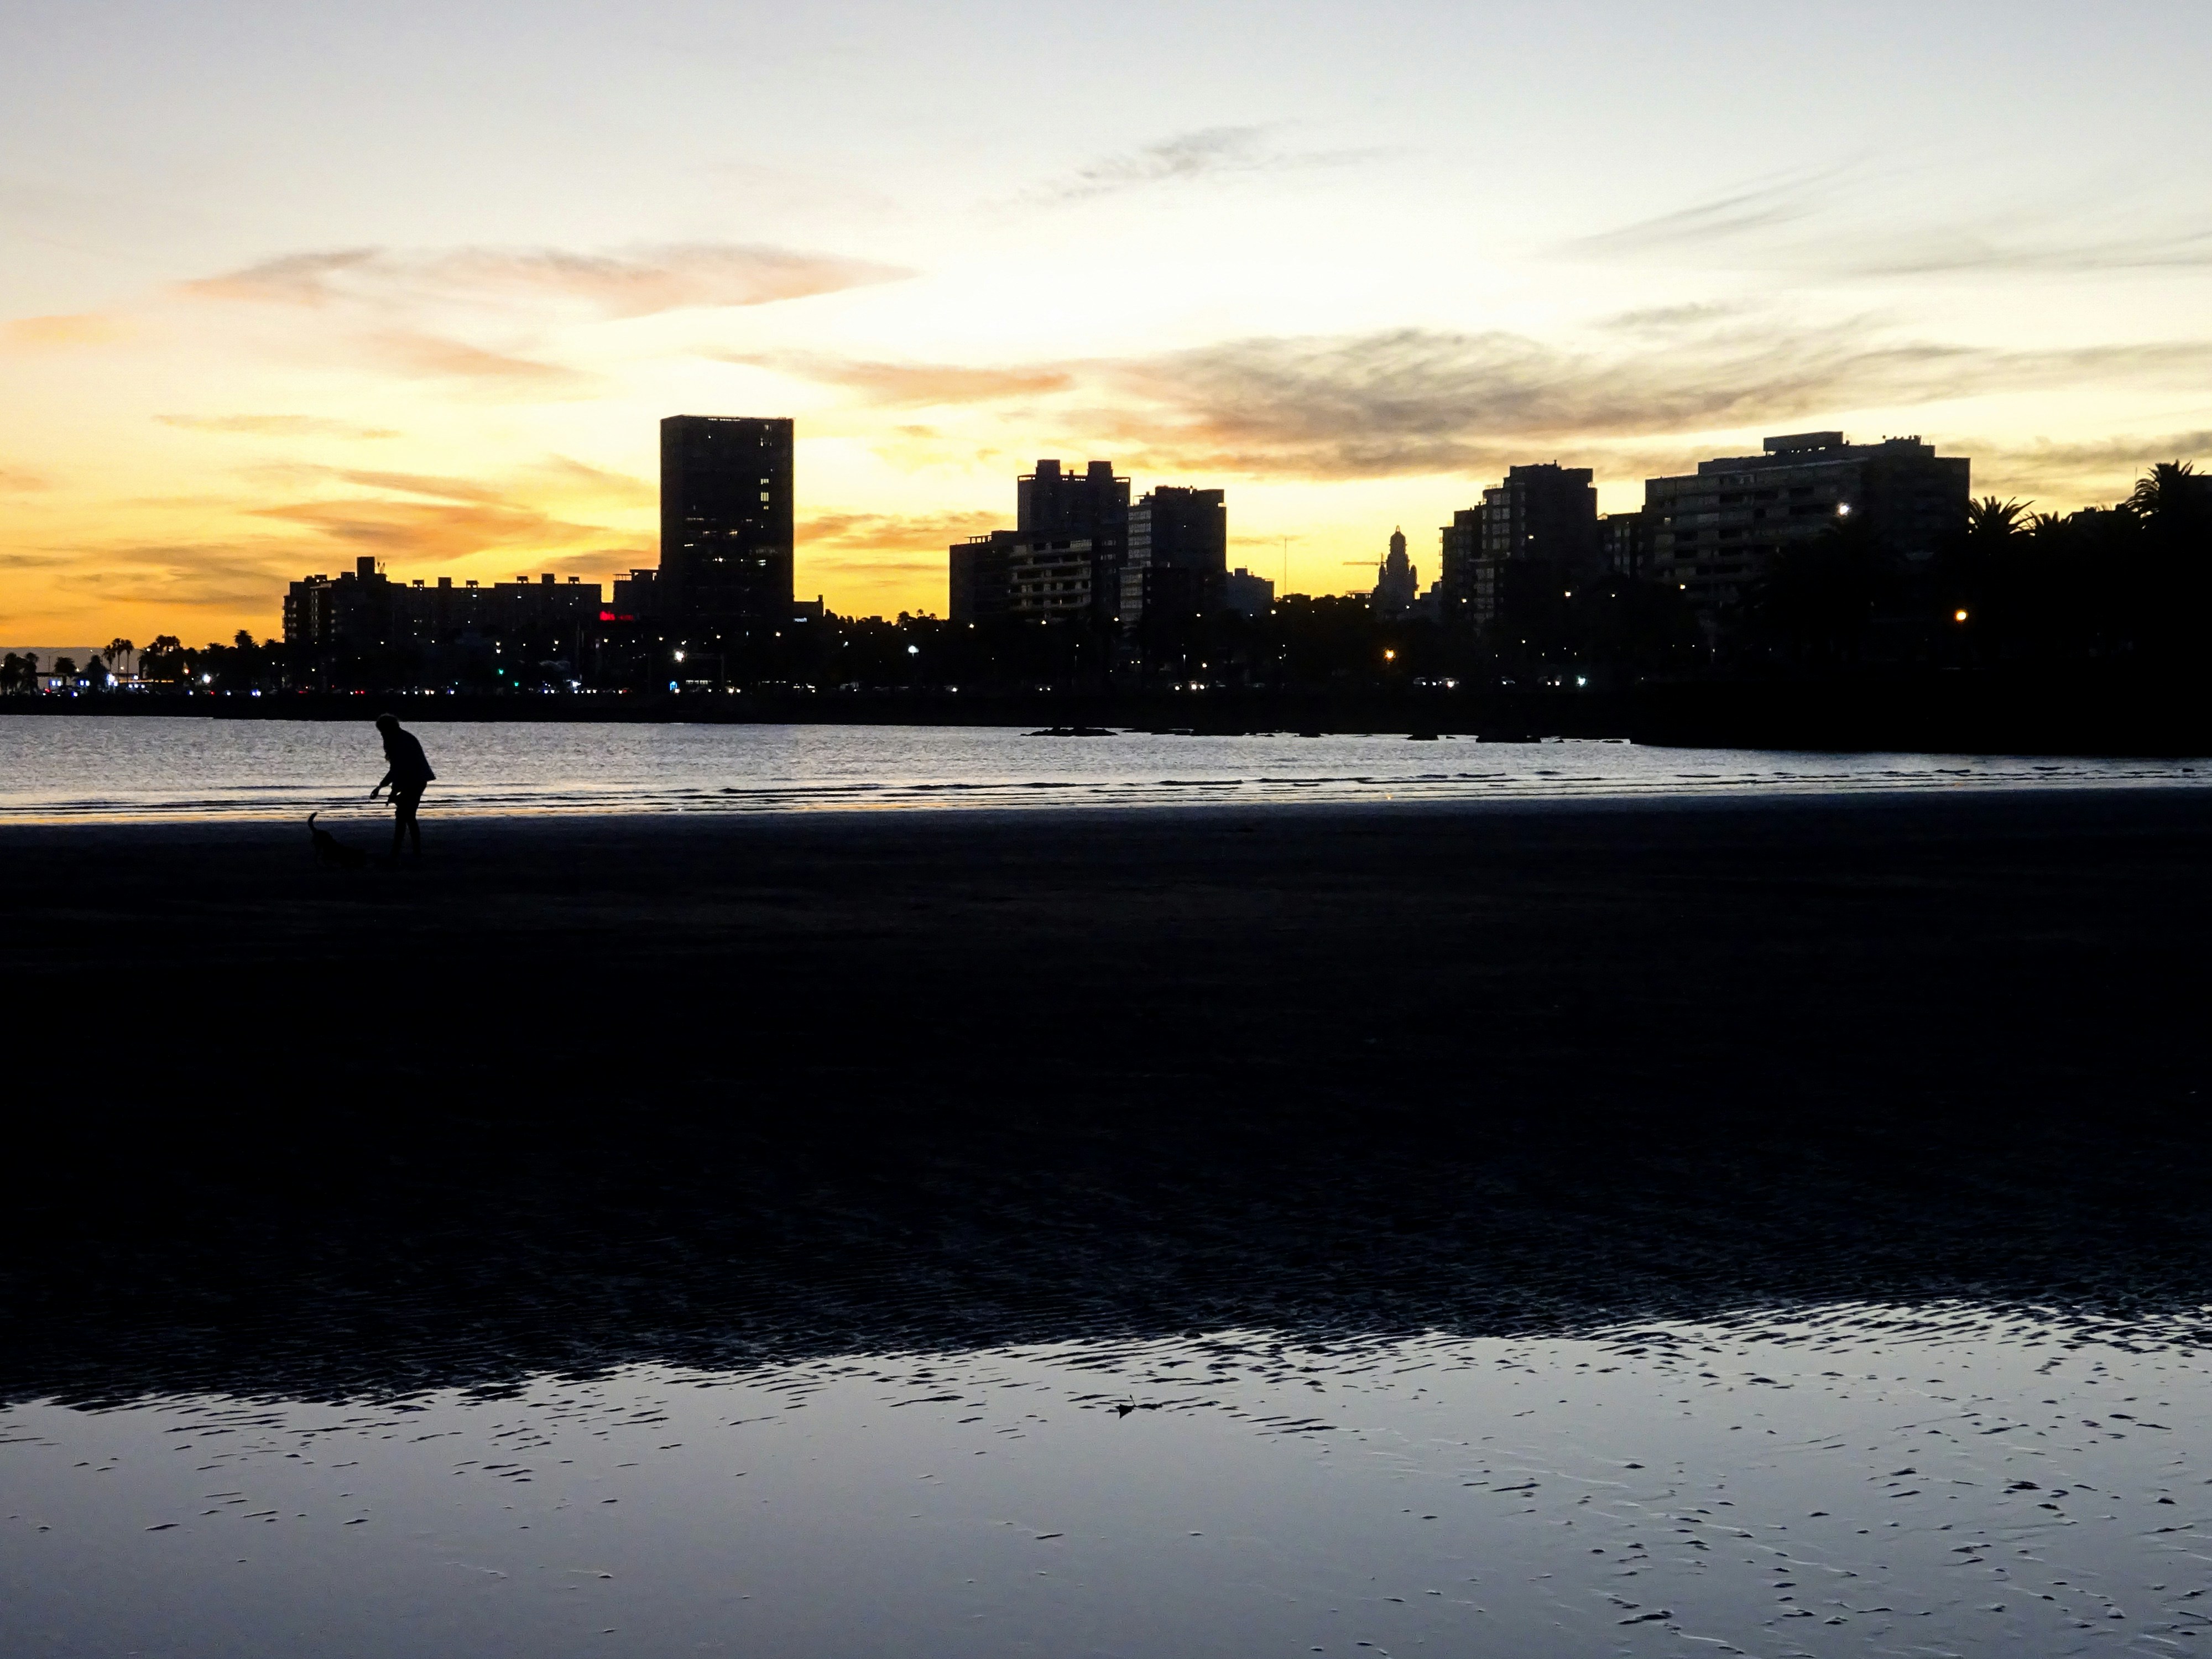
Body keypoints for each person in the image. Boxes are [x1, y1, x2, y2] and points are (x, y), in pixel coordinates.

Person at [368, 713, 436, 862]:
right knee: (407, 816)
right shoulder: (403, 737)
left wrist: (391, 791)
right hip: (416, 780)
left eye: (382, 731)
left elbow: (400, 769)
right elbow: (397, 769)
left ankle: (401, 851)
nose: (382, 735)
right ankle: (409, 851)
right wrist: (382, 787)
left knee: (405, 816)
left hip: (415, 780)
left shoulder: (398, 741)